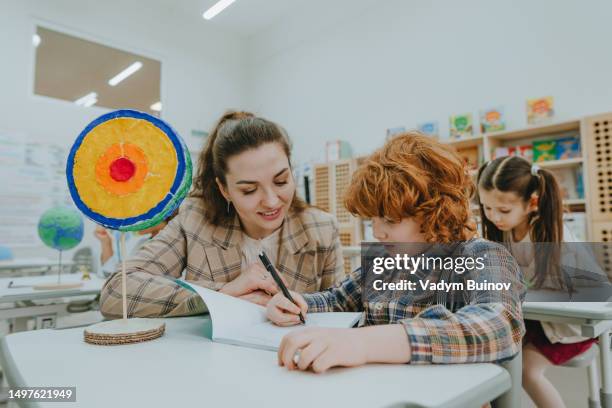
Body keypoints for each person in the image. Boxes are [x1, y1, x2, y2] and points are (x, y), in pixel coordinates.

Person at [266, 132, 525, 373]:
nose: (378, 232)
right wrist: (299, 302)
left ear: (433, 210)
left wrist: (363, 343)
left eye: (390, 219)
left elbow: (498, 325)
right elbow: (338, 299)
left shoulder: (482, 255)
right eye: (372, 220)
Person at [99, 111, 344, 318]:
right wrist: (223, 294)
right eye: (249, 190)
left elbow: (343, 308)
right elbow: (116, 292)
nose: (271, 201)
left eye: (281, 181)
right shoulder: (195, 220)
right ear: (224, 189)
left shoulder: (320, 229)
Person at [477, 155, 597, 408]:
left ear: (532, 202)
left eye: (503, 210)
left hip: (569, 326)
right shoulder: (505, 229)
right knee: (482, 362)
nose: (493, 217)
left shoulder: (552, 236)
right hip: (534, 318)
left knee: (527, 372)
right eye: (487, 208)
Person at [93, 215, 173, 278]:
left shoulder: (171, 246)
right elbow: (113, 275)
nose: (133, 220)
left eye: (140, 213)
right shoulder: (142, 242)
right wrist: (106, 242)